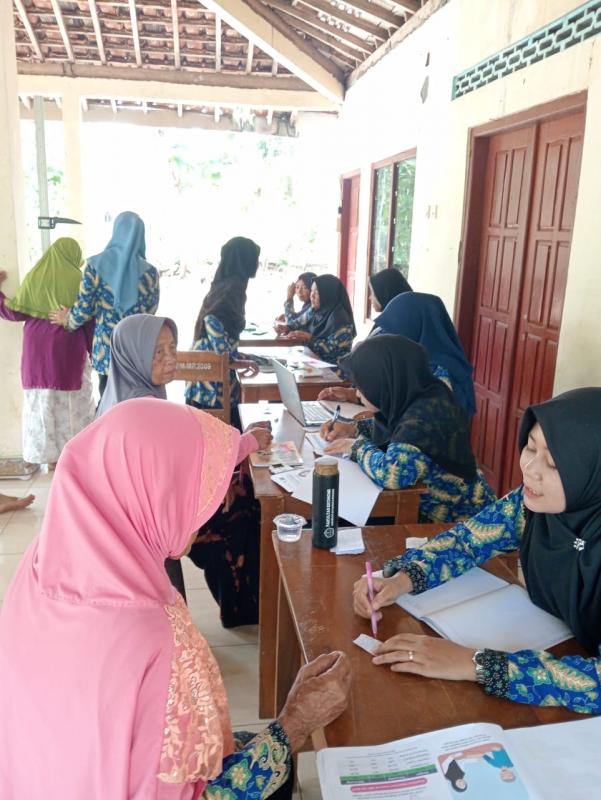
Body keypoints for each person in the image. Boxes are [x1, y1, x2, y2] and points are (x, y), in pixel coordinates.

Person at [0, 398, 351, 799]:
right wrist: (294, 724)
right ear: (154, 493)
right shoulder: (151, 636)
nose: (208, 510)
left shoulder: (41, 561)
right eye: (192, 491)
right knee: (278, 765)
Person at [352, 387, 601, 715]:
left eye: (554, 464)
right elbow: (468, 540)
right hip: (564, 643)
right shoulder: (532, 505)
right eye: (530, 447)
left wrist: (476, 663)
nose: (530, 468)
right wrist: (400, 578)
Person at [322, 336, 494, 522]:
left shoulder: (422, 418)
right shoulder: (422, 395)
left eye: (361, 387)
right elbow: (397, 429)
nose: (356, 392)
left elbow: (392, 475)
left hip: (458, 522)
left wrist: (355, 446)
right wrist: (354, 429)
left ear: (383, 384)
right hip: (433, 511)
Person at [0, 239, 95, 469]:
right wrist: (95, 353)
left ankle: (50, 460)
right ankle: (74, 456)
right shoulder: (80, 282)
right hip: (69, 357)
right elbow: (89, 322)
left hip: (37, 359)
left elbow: (13, 312)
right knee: (73, 408)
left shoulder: (35, 278)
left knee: (42, 406)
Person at [49, 211, 160, 397]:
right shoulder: (150, 273)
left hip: (107, 350)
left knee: (109, 401)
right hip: (138, 350)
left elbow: (84, 309)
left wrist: (67, 319)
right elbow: (151, 312)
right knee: (138, 402)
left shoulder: (95, 266)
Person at [185, 237, 262, 429]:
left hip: (203, 370)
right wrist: (231, 359)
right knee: (226, 430)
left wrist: (236, 356)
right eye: (255, 258)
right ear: (245, 260)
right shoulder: (234, 287)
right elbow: (212, 320)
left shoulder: (225, 283)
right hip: (211, 377)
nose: (258, 263)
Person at [372, 292, 476, 416]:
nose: (391, 339)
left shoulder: (439, 374)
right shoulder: (415, 361)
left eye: (395, 332)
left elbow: (420, 422)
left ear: (413, 328)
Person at [278, 274, 356, 366]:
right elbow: (297, 322)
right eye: (312, 291)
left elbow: (332, 352)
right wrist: (287, 327)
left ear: (328, 294)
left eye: (317, 292)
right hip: (314, 363)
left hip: (334, 369)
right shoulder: (315, 310)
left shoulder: (341, 320)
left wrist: (309, 338)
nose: (312, 296)